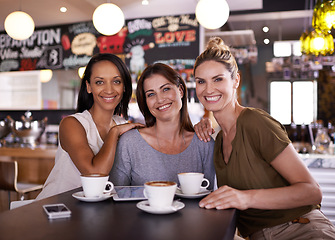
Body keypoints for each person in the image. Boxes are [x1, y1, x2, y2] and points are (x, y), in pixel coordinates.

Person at [193, 37, 335, 239]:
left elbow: (312, 191)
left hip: (300, 229)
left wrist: (244, 198)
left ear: (236, 81)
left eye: (218, 79)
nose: (208, 89)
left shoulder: (255, 122)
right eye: (201, 81)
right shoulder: (218, 141)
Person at [36, 53, 143, 200]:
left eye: (116, 81)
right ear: (89, 87)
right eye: (100, 82)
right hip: (56, 208)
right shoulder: (72, 124)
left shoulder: (121, 125)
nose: (109, 89)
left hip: (93, 211)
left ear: (124, 86)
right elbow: (94, 174)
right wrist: (113, 133)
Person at [110, 63, 215, 188]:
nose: (160, 99)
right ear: (146, 102)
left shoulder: (204, 143)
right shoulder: (129, 143)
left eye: (166, 89)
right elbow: (116, 196)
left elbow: (211, 198)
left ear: (180, 91)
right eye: (151, 94)